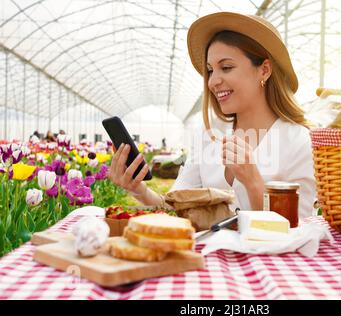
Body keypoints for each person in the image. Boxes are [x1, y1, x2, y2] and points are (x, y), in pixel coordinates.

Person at [109, 12, 316, 217]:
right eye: (210, 70)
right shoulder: (210, 135)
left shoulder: (299, 141)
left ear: (264, 70)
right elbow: (175, 206)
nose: (212, 81)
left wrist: (253, 182)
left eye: (226, 67)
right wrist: (139, 189)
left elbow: (301, 227)